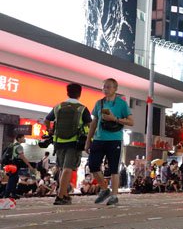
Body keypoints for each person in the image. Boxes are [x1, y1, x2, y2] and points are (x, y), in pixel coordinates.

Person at [85, 78, 132, 206]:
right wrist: (88, 140)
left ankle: (114, 196)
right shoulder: (99, 103)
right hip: (99, 138)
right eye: (104, 87)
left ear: (115, 89)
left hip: (115, 139)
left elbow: (131, 122)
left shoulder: (122, 104)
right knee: (93, 165)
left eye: (109, 87)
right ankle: (105, 189)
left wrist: (114, 118)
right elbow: (94, 122)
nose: (105, 89)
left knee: (113, 169)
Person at [44, 83, 92, 205]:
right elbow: (90, 125)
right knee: (68, 168)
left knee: (61, 169)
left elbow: (47, 119)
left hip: (58, 141)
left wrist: (50, 130)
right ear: (79, 94)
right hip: (74, 142)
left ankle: (64, 194)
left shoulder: (58, 106)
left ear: (67, 93)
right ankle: (60, 196)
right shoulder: (82, 108)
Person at [3, 133, 35, 199]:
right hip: (14, 165)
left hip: (9, 164)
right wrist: (29, 165)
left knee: (14, 178)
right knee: (12, 179)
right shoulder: (19, 147)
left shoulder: (12, 145)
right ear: (19, 138)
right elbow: (22, 157)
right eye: (23, 137)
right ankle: (7, 194)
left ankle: (12, 193)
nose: (24, 139)